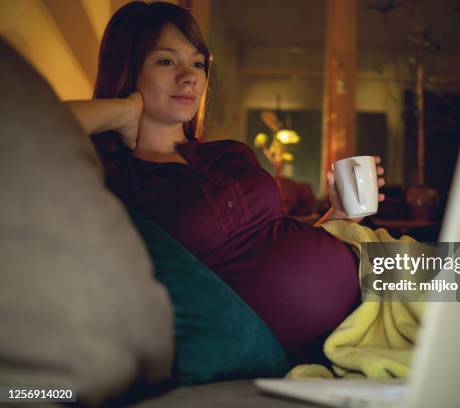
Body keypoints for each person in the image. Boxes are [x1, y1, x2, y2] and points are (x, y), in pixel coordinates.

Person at [66, 1, 385, 364]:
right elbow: (23, 128)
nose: (190, 76)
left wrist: (340, 215)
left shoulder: (229, 154)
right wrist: (122, 110)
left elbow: (272, 242)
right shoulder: (114, 176)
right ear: (128, 67)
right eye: (166, 61)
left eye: (198, 62)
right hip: (340, 329)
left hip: (372, 273)